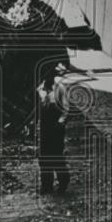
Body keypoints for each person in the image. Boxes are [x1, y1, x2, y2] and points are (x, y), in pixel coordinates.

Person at [37, 65, 70, 194]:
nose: (47, 77)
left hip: (56, 124)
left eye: (49, 74)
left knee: (56, 154)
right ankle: (47, 185)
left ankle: (63, 182)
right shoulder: (40, 88)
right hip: (45, 125)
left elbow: (66, 108)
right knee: (44, 156)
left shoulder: (59, 88)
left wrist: (61, 122)